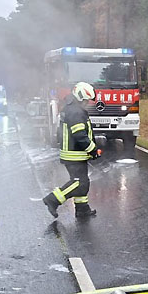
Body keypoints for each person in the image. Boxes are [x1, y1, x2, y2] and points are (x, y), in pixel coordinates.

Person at [42, 81, 100, 219]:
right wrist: (92, 149)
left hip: (74, 153)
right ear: (80, 98)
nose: (87, 103)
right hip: (74, 154)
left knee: (83, 182)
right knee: (79, 182)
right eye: (86, 100)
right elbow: (79, 135)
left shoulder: (71, 108)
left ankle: (82, 209)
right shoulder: (76, 112)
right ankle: (53, 199)